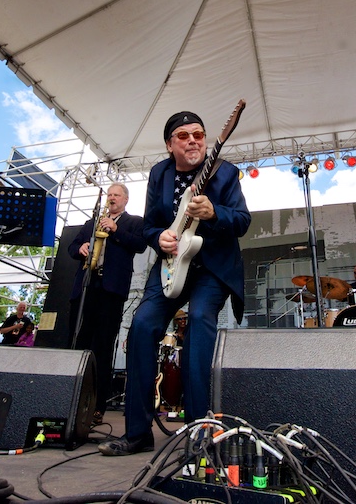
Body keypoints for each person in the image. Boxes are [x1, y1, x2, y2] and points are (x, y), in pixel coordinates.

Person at [98, 111, 251, 456]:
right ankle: (137, 433)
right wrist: (159, 239)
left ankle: (199, 431)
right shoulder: (159, 173)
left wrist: (215, 212)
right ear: (170, 145)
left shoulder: (224, 172)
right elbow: (151, 225)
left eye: (199, 134)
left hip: (211, 266)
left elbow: (242, 220)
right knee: (141, 326)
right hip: (170, 263)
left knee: (199, 322)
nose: (193, 140)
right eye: (183, 136)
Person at [69, 182, 147, 425]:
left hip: (111, 289)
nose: (112, 198)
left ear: (125, 200)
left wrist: (115, 229)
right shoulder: (91, 222)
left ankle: (96, 405)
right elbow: (71, 248)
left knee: (102, 348)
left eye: (116, 195)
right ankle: (71, 400)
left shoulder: (134, 221)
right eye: (109, 195)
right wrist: (80, 247)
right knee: (77, 342)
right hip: (86, 287)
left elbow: (140, 245)